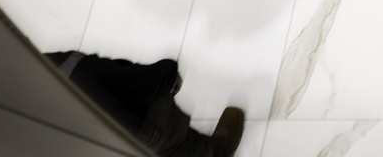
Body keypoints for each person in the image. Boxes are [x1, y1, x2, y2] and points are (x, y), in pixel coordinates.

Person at [42, 49, 244, 157]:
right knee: (184, 146)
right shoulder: (64, 70)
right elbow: (136, 83)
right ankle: (217, 151)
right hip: (145, 127)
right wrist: (169, 72)